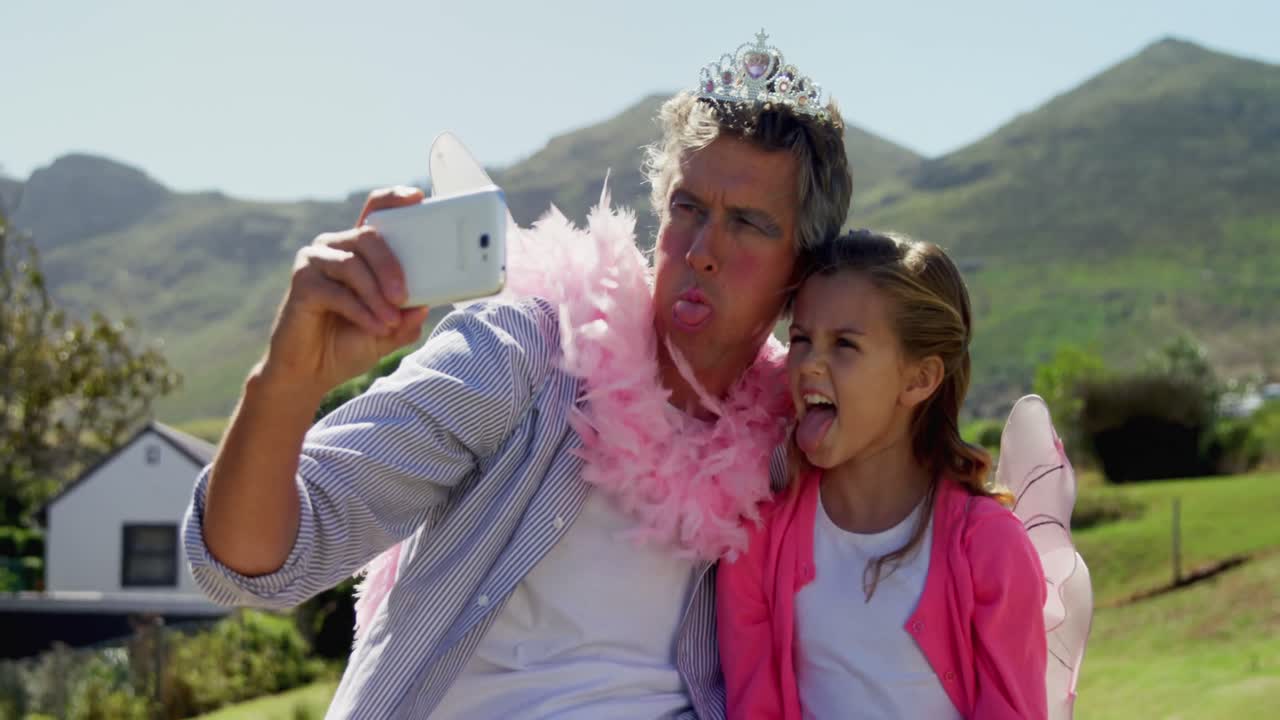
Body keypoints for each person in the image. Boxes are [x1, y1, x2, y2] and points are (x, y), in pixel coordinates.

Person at [181, 31, 852, 719]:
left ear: (800, 271)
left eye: (746, 224)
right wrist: (286, 380)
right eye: (687, 209)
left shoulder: (794, 435)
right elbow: (245, 564)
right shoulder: (527, 351)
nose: (703, 250)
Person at [717, 230, 1050, 719]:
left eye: (845, 345)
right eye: (802, 339)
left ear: (919, 379)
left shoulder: (989, 546)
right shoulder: (757, 539)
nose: (809, 363)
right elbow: (753, 706)